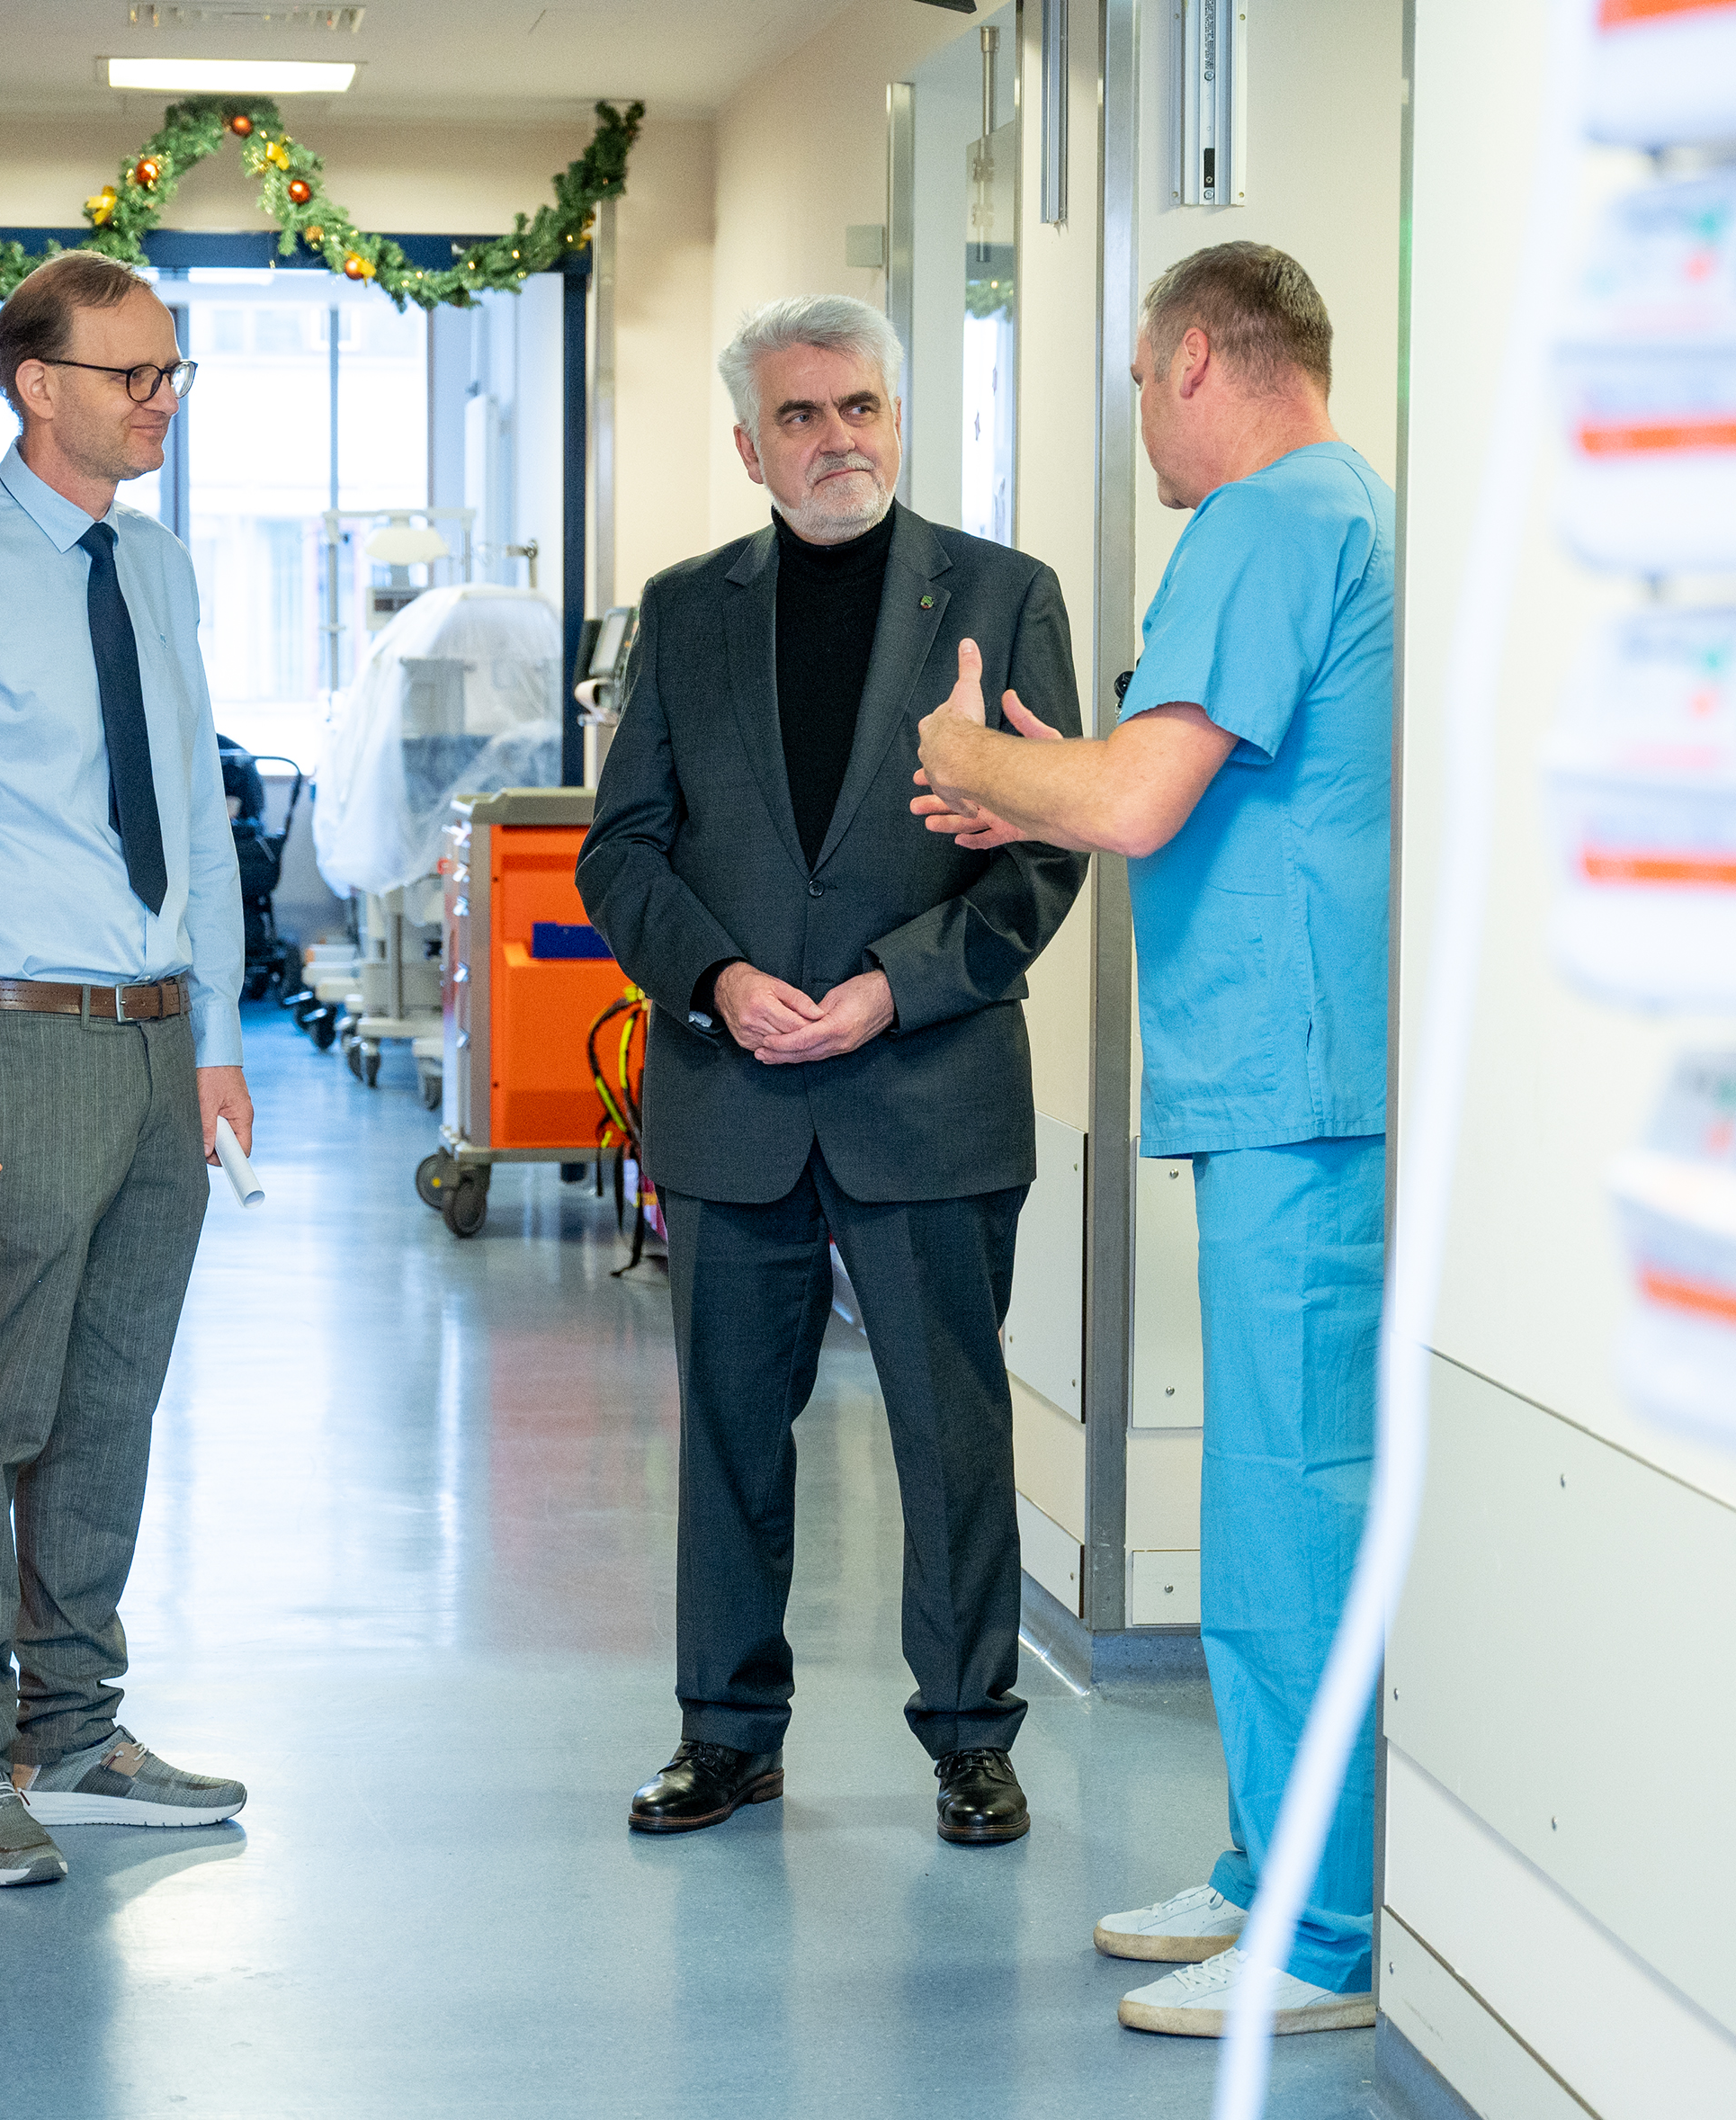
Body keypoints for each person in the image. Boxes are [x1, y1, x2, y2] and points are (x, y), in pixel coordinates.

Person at [911, 241, 1391, 2036]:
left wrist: (972, 754)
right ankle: (1274, 1875)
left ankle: (1320, 1938)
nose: (1137, 416)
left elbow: (1123, 799)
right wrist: (1044, 765)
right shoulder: (1338, 513)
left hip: (1298, 1089)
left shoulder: (1266, 519)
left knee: (1287, 1516)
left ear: (1196, 358)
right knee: (1270, 1508)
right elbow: (1167, 778)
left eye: (1133, 380)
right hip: (1286, 1083)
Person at [577, 295, 1088, 1846]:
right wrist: (721, 981)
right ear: (749, 444)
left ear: (899, 418)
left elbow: (1049, 849)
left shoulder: (1002, 595)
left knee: (952, 1433)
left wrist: (887, 991)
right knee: (732, 1427)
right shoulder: (686, 608)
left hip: (924, 1091)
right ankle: (728, 1732)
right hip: (733, 1094)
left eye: (859, 407)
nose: (836, 439)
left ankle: (971, 1736)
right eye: (800, 417)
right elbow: (622, 848)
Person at [0, 250, 256, 1890]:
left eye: (173, 374)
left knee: (112, 1397)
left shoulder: (154, 570)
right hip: (9, 1037)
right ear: (39, 384)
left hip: (157, 1047)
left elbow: (201, 819)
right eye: (133, 374)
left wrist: (217, 1039)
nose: (160, 399)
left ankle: (71, 1732)